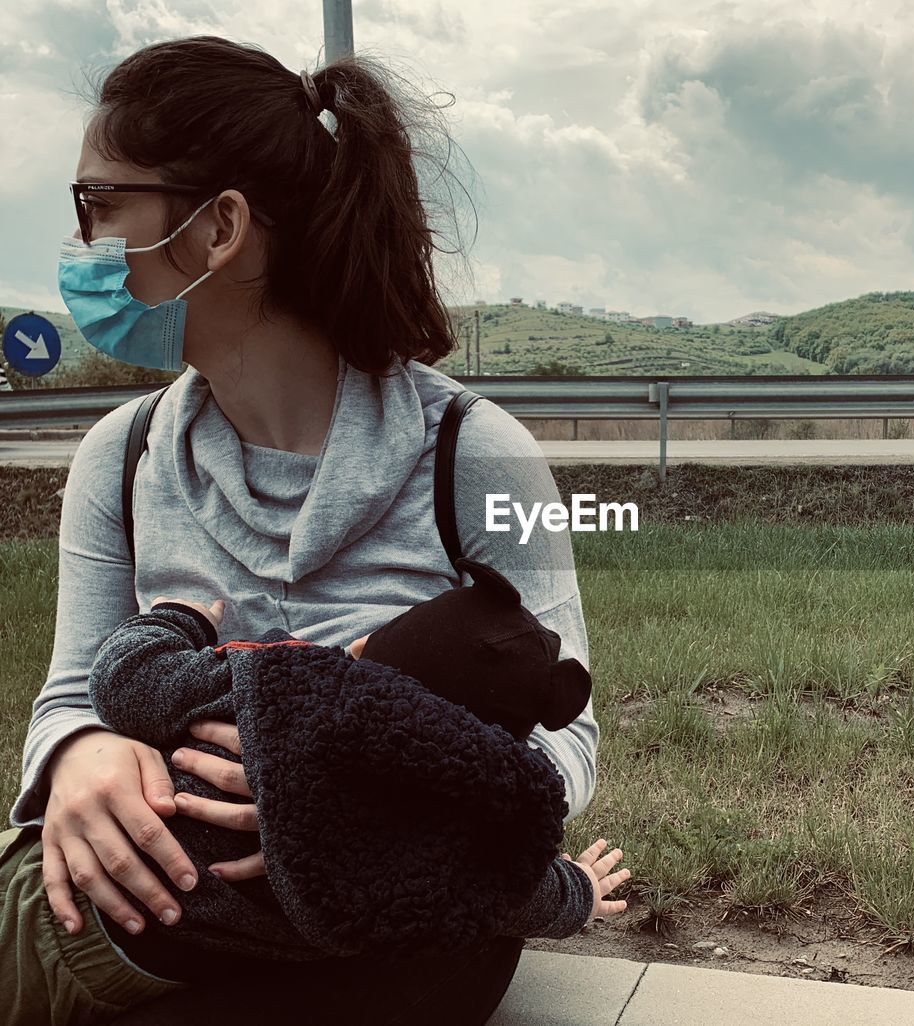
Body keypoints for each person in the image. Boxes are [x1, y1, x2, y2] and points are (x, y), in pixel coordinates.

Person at [9, 33, 613, 1025]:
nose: (84, 245)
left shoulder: (475, 453)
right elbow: (71, 694)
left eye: (101, 205)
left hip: (389, 936)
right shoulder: (118, 461)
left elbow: (568, 734)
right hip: (158, 921)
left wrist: (349, 800)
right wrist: (77, 752)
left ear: (221, 227)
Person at [1, 559, 631, 1024]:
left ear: (360, 649)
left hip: (56, 897)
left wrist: (179, 617)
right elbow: (524, 896)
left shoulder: (287, 689)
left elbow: (125, 680)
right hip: (144, 967)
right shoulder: (452, 850)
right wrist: (578, 888)